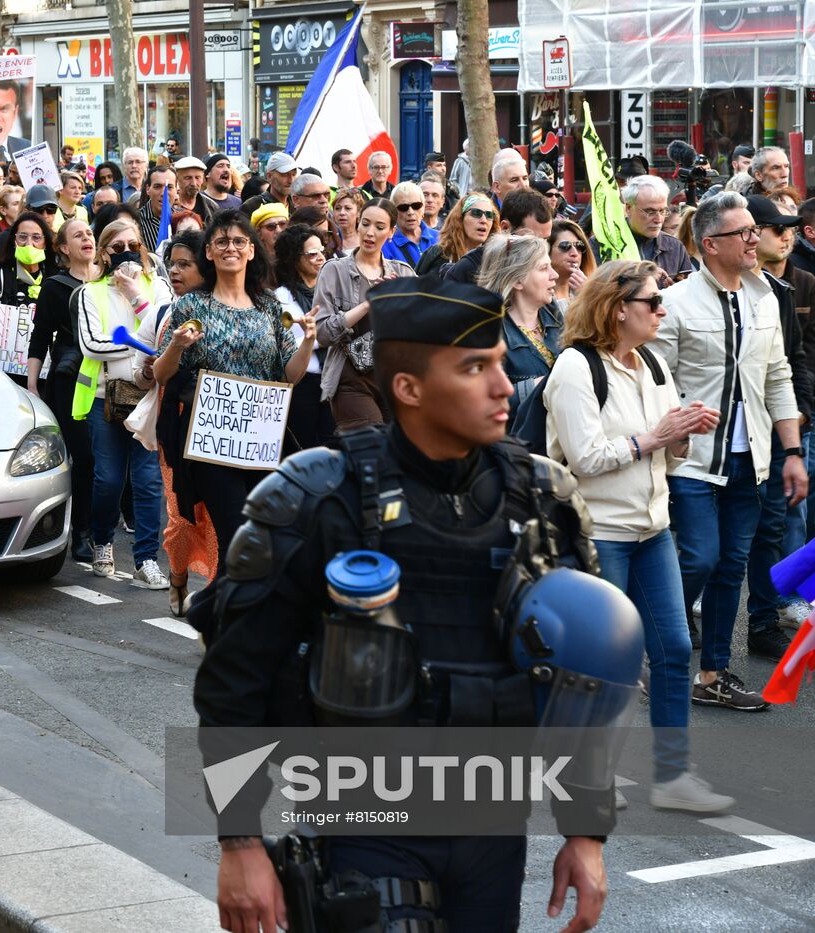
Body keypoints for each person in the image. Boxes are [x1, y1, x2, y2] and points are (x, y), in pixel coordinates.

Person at [197, 275, 614, 933]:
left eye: (500, 363)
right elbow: (233, 684)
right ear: (409, 388)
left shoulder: (541, 500)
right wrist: (241, 841)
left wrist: (585, 832)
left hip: (492, 829)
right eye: (475, 368)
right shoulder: (318, 498)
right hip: (364, 827)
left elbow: (582, 684)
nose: (504, 387)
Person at [545, 259, 733, 812]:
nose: (662, 311)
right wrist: (656, 436)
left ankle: (672, 776)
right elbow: (585, 458)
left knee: (674, 648)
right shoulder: (575, 367)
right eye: (652, 302)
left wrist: (683, 434)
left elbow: (668, 458)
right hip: (598, 533)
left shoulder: (651, 362)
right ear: (616, 308)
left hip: (652, 530)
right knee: (602, 661)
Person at [650, 192, 808, 711]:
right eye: (743, 232)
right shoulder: (675, 302)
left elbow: (778, 377)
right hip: (693, 459)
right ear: (710, 244)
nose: (753, 239)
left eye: (753, 231)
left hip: (752, 459)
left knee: (730, 567)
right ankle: (651, 646)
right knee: (701, 557)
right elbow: (656, 381)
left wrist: (791, 451)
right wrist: (673, 428)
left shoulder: (766, 299)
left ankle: (713, 674)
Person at [153, 210, 316, 569]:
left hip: (261, 439)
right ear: (209, 252)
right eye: (222, 241)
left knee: (263, 533)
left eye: (240, 241)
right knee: (235, 534)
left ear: (252, 250)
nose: (232, 248)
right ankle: (232, 601)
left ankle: (234, 599)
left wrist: (307, 342)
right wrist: (176, 346)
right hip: (213, 442)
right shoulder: (191, 305)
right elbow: (162, 375)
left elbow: (289, 376)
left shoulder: (269, 306)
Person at [74, 218, 172, 586]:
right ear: (103, 253)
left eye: (133, 246)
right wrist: (141, 344)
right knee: (110, 479)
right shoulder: (90, 293)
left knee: (148, 482)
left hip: (149, 397)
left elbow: (167, 333)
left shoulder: (156, 286)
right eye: (118, 248)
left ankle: (146, 559)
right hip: (105, 399)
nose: (127, 253)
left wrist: (134, 295)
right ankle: (102, 541)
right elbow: (91, 344)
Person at [742, 194, 815, 659]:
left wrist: (801, 412)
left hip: (779, 426)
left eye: (789, 228)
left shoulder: (784, 291)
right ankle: (686, 611)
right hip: (724, 434)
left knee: (776, 525)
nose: (785, 236)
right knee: (719, 543)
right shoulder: (690, 294)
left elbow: (794, 360)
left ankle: (766, 619)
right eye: (775, 228)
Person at [141, 229, 217, 616]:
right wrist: (151, 365)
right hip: (177, 426)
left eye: (185, 264)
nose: (174, 271)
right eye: (172, 264)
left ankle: (218, 593)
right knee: (183, 515)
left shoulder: (233, 309)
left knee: (218, 516)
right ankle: (178, 575)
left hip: (220, 427)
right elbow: (148, 374)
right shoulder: (165, 314)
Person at [28, 219, 99, 565]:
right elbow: (40, 336)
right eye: (78, 235)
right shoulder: (55, 287)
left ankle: (106, 528)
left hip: (110, 378)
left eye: (90, 233)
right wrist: (32, 385)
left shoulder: (112, 280)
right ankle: (81, 534)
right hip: (71, 381)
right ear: (64, 249)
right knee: (83, 458)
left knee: (110, 461)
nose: (87, 238)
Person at [314, 198, 415, 433]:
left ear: (391, 232)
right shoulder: (334, 270)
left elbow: (420, 331)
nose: (370, 233)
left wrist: (398, 304)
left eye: (379, 227)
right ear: (358, 224)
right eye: (366, 224)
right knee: (372, 444)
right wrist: (368, 304)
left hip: (393, 377)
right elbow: (322, 333)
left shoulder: (403, 273)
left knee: (397, 447)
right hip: (350, 378)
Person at [478, 234, 562, 424]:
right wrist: (541, 385)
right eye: (544, 268)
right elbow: (484, 402)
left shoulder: (553, 314)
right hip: (521, 438)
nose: (554, 275)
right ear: (517, 281)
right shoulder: (489, 332)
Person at [273, 224, 333, 451]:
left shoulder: (332, 291)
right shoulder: (281, 297)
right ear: (293, 258)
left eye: (322, 251)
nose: (320, 258)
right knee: (302, 449)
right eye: (312, 254)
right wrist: (323, 336)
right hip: (302, 386)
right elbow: (285, 347)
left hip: (333, 380)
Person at [0, 210, 57, 331]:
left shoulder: (55, 278)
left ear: (45, 243)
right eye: (22, 237)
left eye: (36, 238)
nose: (29, 244)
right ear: (14, 240)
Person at [446, 188, 553, 284]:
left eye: (545, 240)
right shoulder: (468, 270)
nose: (541, 248)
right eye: (533, 240)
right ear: (505, 228)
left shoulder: (549, 274)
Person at [618, 176, 691, 286]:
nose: (658, 219)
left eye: (663, 211)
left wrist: (676, 291)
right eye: (650, 211)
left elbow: (688, 291)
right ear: (628, 208)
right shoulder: (605, 245)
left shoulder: (675, 247)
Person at [416, 192, 498, 278]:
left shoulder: (496, 261)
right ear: (460, 219)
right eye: (476, 213)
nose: (484, 220)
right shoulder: (438, 254)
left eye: (489, 215)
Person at [382, 181, 439, 268]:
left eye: (416, 206)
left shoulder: (441, 238)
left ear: (423, 207)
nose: (411, 212)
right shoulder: (385, 244)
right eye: (403, 207)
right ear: (393, 211)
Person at [550, 219, 596, 314]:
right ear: (547, 250)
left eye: (579, 246)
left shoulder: (590, 291)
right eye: (565, 246)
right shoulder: (537, 294)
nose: (575, 253)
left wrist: (588, 296)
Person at [172, 156, 218, 224]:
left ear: (202, 179)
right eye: (188, 178)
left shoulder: (212, 207)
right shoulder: (169, 206)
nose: (193, 183)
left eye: (197, 178)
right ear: (177, 179)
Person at [331, 187, 362, 254]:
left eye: (348, 208)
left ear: (359, 212)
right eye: (337, 208)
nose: (342, 213)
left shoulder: (366, 239)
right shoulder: (327, 241)